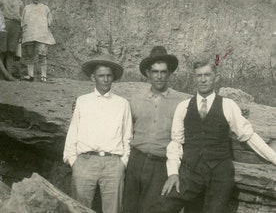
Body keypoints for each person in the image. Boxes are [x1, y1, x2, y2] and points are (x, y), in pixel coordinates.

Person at [153, 58, 276, 213]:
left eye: (207, 75)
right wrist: (173, 174)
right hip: (190, 173)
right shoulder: (183, 107)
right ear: (194, 78)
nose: (203, 80)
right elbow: (176, 142)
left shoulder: (228, 105)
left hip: (219, 174)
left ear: (215, 77)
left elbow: (248, 136)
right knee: (164, 205)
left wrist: (274, 158)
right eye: (199, 76)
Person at [123, 46, 197, 213]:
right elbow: (126, 132)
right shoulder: (136, 100)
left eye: (163, 72)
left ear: (169, 73)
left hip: (160, 165)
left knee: (153, 209)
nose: (159, 76)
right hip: (135, 161)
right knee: (129, 208)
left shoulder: (181, 102)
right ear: (148, 73)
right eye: (155, 71)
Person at [63, 54, 132, 213]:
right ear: (93, 77)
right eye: (101, 75)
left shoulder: (122, 104)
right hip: (85, 162)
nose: (106, 79)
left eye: (109, 75)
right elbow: (73, 131)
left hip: (113, 163)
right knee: (80, 209)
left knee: (113, 210)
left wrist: (123, 163)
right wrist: (73, 160)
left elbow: (127, 137)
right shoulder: (82, 101)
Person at [21, 0, 56, 82]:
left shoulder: (45, 8)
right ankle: (30, 75)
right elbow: (23, 21)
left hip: (41, 35)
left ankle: (43, 75)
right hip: (29, 35)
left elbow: (50, 20)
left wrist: (47, 24)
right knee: (30, 55)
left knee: (42, 54)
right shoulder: (27, 8)